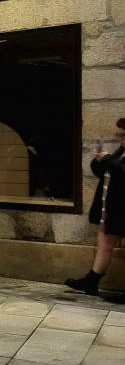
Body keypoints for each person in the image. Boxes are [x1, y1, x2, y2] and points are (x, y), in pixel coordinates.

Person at [66, 118, 125, 300]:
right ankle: (91, 281)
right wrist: (98, 161)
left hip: (121, 208)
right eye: (119, 134)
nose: (120, 138)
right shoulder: (121, 150)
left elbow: (121, 172)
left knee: (105, 243)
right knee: (104, 243)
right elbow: (105, 172)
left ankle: (91, 281)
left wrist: (107, 160)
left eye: (122, 134)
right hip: (115, 208)